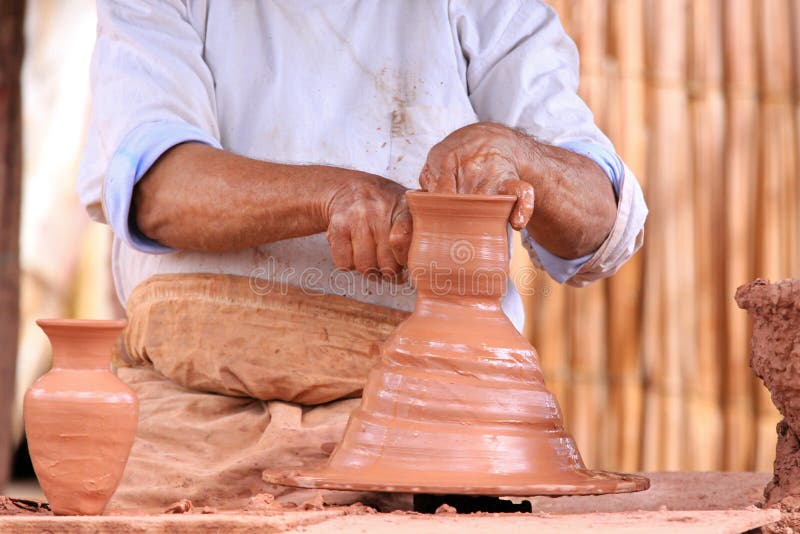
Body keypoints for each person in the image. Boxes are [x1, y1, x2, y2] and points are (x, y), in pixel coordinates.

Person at [77, 0, 647, 512]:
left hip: (431, 430)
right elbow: (155, 188)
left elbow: (603, 224)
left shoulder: (487, 8)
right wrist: (334, 197)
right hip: (191, 425)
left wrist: (525, 160)